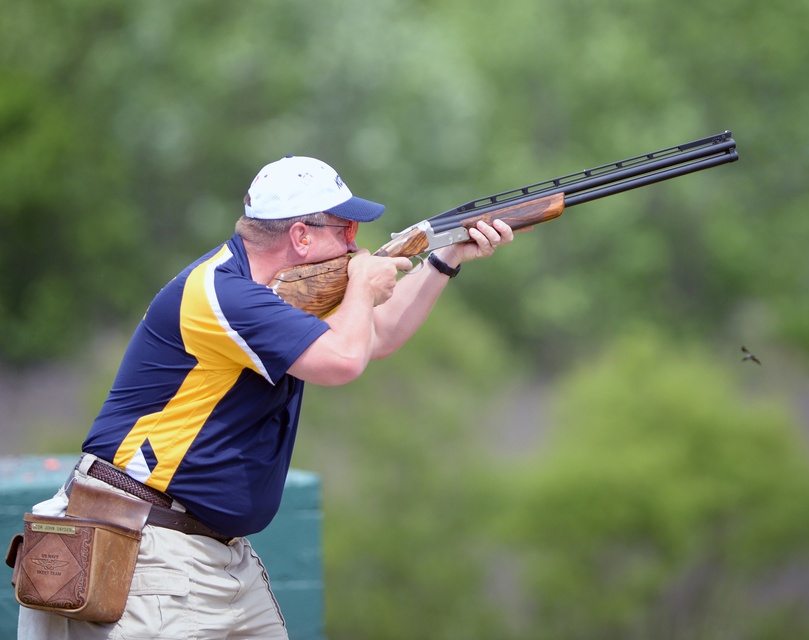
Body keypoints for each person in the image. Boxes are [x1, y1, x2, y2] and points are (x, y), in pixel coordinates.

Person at [17, 155, 516, 639]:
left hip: (214, 551)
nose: (354, 243)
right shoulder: (225, 294)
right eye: (344, 230)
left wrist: (444, 258)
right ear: (301, 236)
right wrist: (362, 287)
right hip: (150, 546)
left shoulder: (272, 293)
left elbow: (375, 337)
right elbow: (343, 361)